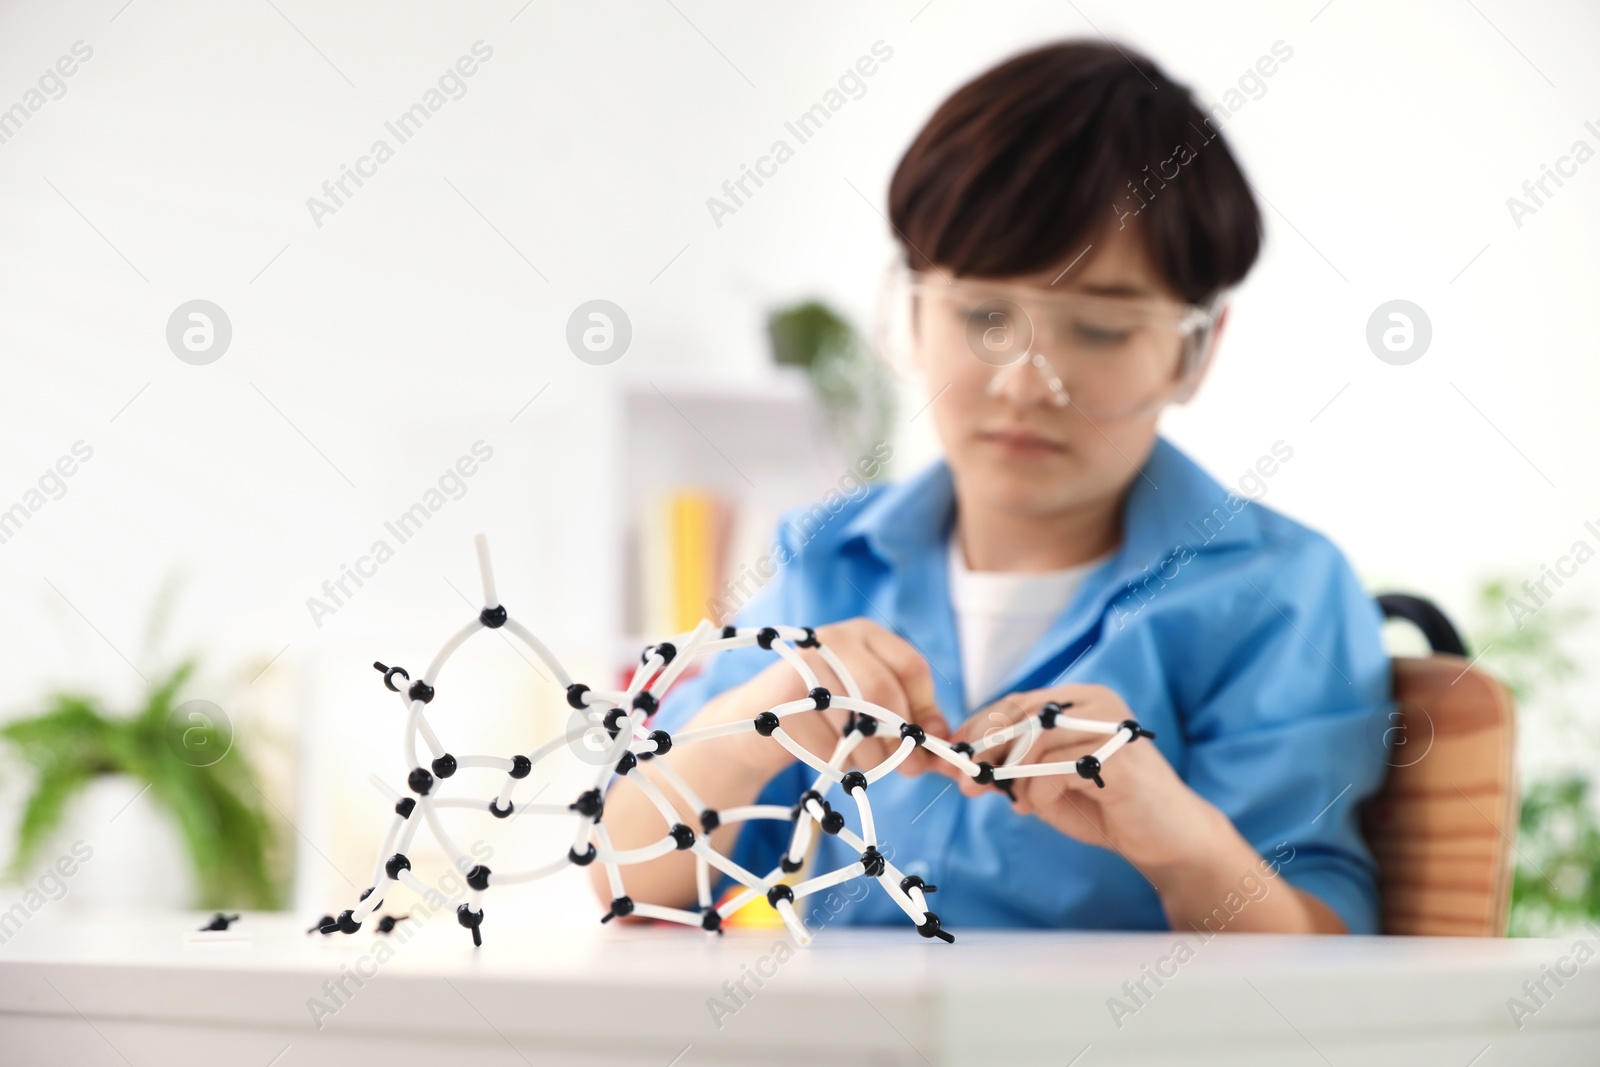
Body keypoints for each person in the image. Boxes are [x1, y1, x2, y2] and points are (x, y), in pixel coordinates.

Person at [593, 40, 1392, 935]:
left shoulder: (1275, 596)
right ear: (913, 307)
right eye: (982, 317)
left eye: (1097, 328)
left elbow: (1328, 966)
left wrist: (1177, 836)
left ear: (1195, 348)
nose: (1023, 383)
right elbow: (626, 875)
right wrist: (752, 723)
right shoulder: (826, 562)